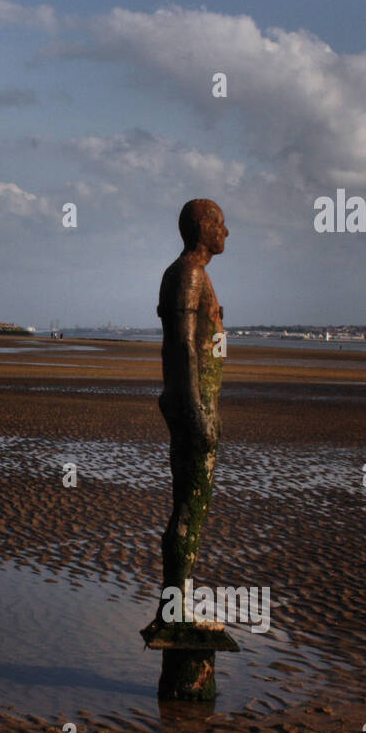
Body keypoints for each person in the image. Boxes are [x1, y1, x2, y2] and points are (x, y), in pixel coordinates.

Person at [155, 198, 229, 622]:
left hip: (196, 401)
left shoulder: (190, 275)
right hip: (193, 405)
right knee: (191, 506)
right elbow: (182, 345)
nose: (226, 232)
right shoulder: (189, 274)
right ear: (203, 227)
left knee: (192, 504)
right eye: (220, 223)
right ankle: (175, 610)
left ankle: (177, 605)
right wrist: (198, 411)